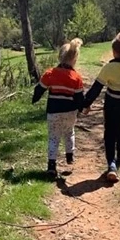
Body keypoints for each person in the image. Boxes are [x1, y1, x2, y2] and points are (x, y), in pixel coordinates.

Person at [83, 32, 120, 183]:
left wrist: (85, 103)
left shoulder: (108, 68)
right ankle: (119, 158)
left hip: (111, 105)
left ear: (114, 52)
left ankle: (111, 164)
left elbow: (96, 88)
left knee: (109, 133)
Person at [32, 39, 85, 177]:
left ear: (59, 57)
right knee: (69, 132)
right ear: (75, 59)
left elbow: (39, 89)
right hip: (70, 112)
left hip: (53, 112)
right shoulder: (76, 77)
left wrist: (35, 99)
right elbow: (79, 98)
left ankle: (51, 165)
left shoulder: (50, 73)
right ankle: (69, 155)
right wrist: (82, 108)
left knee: (53, 138)